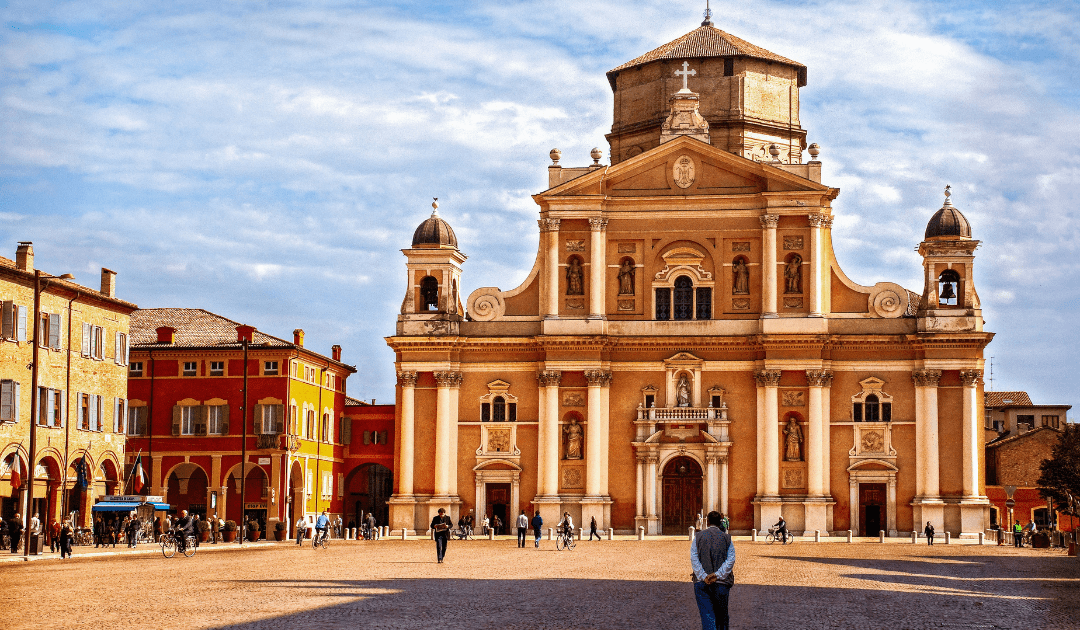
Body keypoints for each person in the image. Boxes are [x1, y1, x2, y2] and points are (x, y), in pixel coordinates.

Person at [691, 511, 736, 630]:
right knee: (722, 617)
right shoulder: (727, 538)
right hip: (721, 583)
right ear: (719, 522)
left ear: (708, 521)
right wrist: (717, 575)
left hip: (702, 583)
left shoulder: (698, 537)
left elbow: (694, 558)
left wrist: (704, 576)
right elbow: (731, 559)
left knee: (707, 617)